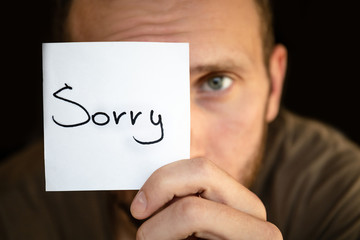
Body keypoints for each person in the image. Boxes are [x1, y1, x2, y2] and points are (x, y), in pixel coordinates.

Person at [1, 0, 359, 239]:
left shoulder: (343, 196)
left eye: (216, 82)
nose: (183, 150)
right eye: (125, 86)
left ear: (274, 85)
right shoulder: (15, 206)